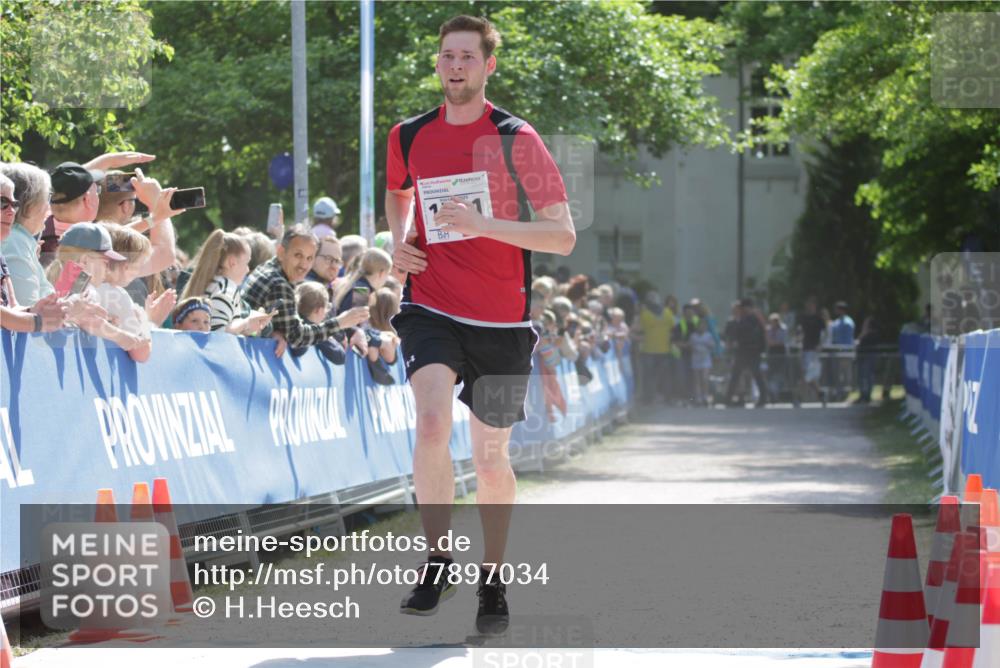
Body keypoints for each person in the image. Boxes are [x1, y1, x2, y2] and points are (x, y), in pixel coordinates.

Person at [385, 14, 574, 632]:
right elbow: (397, 191)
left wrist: (484, 225)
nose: (456, 65)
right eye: (447, 55)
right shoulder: (408, 134)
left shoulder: (519, 138)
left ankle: (492, 577)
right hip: (430, 304)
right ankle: (438, 557)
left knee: (491, 460)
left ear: (488, 65)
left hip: (501, 320)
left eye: (468, 55)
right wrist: (397, 241)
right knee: (432, 419)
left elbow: (563, 234)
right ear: (437, 63)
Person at [242, 225, 369, 357]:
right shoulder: (279, 283)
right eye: (298, 255)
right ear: (281, 252)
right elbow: (298, 338)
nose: (304, 265)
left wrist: (274, 331)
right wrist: (341, 322)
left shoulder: (270, 268)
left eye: (309, 258)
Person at [56, 223, 149, 358]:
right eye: (105, 263)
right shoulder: (86, 286)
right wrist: (122, 336)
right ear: (85, 260)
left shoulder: (55, 276)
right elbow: (87, 319)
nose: (107, 269)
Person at [0, 171, 69, 332]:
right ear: (31, 204)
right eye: (3, 202)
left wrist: (37, 311)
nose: (12, 211)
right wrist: (36, 322)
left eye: (14, 204)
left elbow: (13, 307)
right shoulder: (16, 242)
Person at [181, 230, 272, 335]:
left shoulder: (215, 284)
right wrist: (247, 322)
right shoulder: (225, 290)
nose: (248, 270)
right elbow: (218, 334)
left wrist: (251, 324)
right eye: (246, 263)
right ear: (232, 263)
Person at [290, 282, 353, 364]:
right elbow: (340, 356)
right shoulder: (315, 332)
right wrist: (326, 336)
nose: (327, 312)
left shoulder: (290, 318)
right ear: (318, 310)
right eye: (327, 307)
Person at [725, 297, 769, 408]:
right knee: (736, 374)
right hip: (743, 351)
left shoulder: (753, 319)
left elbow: (759, 335)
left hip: (752, 351)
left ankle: (763, 398)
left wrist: (761, 349)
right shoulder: (744, 318)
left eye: (743, 307)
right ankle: (728, 398)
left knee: (756, 375)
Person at [634, 291, 672, 404]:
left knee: (649, 375)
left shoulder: (644, 314)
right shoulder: (667, 313)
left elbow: (639, 329)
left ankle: (649, 397)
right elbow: (671, 328)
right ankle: (660, 397)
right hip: (661, 349)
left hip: (650, 349)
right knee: (660, 375)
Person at [797, 296, 826, 405]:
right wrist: (798, 339)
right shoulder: (803, 318)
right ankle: (820, 394)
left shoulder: (819, 319)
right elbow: (799, 332)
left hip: (814, 350)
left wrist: (820, 345)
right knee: (807, 374)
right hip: (805, 349)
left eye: (811, 304)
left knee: (808, 374)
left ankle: (798, 396)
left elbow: (824, 334)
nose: (809, 306)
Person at [306, 236, 344, 300]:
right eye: (328, 259)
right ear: (313, 258)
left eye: (337, 261)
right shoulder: (308, 288)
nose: (334, 266)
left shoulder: (330, 288)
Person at [688, 318, 715, 406]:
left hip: (705, 360)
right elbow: (690, 346)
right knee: (697, 380)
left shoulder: (708, 335)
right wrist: (694, 347)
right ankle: (698, 398)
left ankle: (705, 396)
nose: (701, 327)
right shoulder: (693, 336)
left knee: (704, 378)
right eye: (700, 325)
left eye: (703, 325)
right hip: (696, 359)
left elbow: (712, 346)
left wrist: (708, 344)